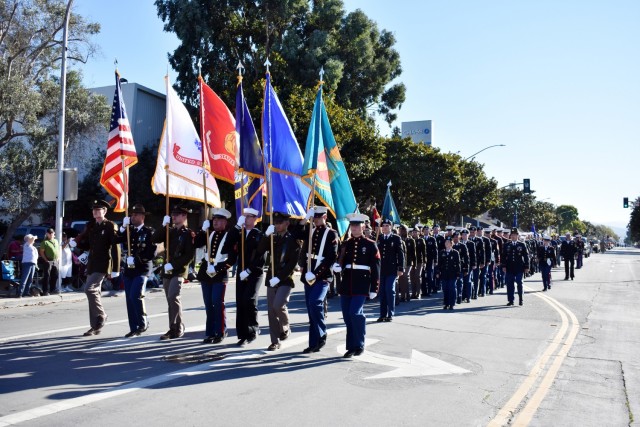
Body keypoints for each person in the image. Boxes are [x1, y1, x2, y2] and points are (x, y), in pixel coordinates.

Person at [70, 200, 121, 336]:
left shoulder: (110, 225)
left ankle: (102, 314)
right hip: (92, 263)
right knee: (94, 293)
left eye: (99, 210)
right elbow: (88, 245)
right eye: (94, 210)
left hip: (103, 263)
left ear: (104, 212)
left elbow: (115, 247)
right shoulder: (91, 226)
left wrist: (116, 268)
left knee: (89, 289)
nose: (96, 212)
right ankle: (96, 325)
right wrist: (77, 243)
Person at [252, 212, 301, 351]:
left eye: (280, 223)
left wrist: (279, 278)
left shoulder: (293, 240)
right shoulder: (272, 238)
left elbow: (292, 263)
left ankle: (285, 326)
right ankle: (275, 341)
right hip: (271, 277)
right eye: (276, 223)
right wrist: (265, 236)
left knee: (278, 305)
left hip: (285, 279)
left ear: (287, 223)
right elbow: (260, 250)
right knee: (271, 311)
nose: (277, 225)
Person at [333, 213, 380, 358]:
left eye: (357, 225)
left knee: (355, 313)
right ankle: (351, 346)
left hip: (361, 283)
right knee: (347, 316)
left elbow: (376, 267)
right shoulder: (346, 244)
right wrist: (337, 266)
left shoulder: (370, 244)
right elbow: (341, 259)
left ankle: (359, 344)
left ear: (363, 226)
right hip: (347, 283)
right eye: (352, 225)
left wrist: (374, 288)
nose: (354, 228)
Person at [295, 206, 338, 354]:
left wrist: (316, 273)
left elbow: (332, 257)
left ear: (325, 217)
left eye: (319, 217)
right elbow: (295, 232)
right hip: (308, 275)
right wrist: (306, 218)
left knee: (315, 302)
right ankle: (314, 343)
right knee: (310, 308)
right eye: (314, 218)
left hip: (322, 275)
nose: (316, 220)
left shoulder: (332, 234)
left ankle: (322, 332)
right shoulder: (310, 231)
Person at [195, 208, 238, 344]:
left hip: (219, 275)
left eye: (219, 220)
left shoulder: (229, 235)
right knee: (208, 304)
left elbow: (232, 259)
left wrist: (218, 268)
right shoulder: (209, 233)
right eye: (214, 219)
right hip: (206, 273)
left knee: (217, 303)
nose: (215, 222)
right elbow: (196, 243)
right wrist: (203, 230)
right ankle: (210, 332)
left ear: (225, 222)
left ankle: (220, 331)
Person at [153, 205, 195, 340]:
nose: (174, 216)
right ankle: (173, 327)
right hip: (167, 271)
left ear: (184, 217)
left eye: (177, 214)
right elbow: (155, 239)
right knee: (170, 300)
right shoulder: (169, 231)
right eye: (173, 214)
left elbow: (189, 256)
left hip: (179, 270)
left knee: (173, 296)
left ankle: (178, 326)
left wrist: (174, 264)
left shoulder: (188, 233)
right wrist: (163, 225)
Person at [117, 204, 157, 337]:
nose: (132, 217)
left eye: (135, 215)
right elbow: (116, 239)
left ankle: (142, 321)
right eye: (131, 215)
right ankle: (134, 327)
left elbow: (152, 253)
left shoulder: (149, 232)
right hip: (129, 270)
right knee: (129, 298)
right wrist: (123, 227)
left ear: (142, 217)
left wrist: (137, 259)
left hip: (142, 269)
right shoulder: (129, 231)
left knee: (135, 295)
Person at [234, 208, 267, 346]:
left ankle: (252, 330)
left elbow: (261, 257)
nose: (246, 219)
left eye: (249, 217)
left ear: (255, 219)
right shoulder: (239, 233)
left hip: (255, 272)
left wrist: (249, 270)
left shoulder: (259, 235)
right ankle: (242, 334)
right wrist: (236, 226)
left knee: (249, 299)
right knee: (241, 301)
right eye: (244, 216)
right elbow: (227, 244)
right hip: (241, 273)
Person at [376, 219, 405, 322]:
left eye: (387, 225)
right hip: (381, 269)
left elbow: (400, 254)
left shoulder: (396, 238)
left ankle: (390, 314)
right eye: (383, 225)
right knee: (382, 292)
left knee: (390, 290)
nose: (384, 227)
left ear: (391, 227)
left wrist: (400, 268)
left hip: (392, 270)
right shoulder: (378, 238)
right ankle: (382, 314)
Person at [501, 227, 530, 306]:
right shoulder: (507, 245)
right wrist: (503, 266)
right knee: (510, 284)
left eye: (515, 235)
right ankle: (511, 300)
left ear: (518, 236)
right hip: (509, 267)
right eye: (512, 235)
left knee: (519, 283)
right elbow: (503, 256)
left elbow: (526, 256)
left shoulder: (522, 244)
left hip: (519, 267)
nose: (513, 236)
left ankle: (521, 299)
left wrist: (527, 266)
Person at [437, 236, 461, 310]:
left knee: (452, 288)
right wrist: (438, 272)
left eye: (448, 242)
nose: (447, 244)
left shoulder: (455, 253)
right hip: (444, 273)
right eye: (446, 242)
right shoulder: (442, 252)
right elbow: (439, 263)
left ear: (451, 244)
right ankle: (446, 303)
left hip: (452, 274)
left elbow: (458, 264)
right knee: (445, 289)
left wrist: (458, 273)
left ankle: (452, 303)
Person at [39, 228, 60, 295]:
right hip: (48, 260)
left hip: (55, 260)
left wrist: (58, 258)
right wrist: (46, 260)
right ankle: (45, 291)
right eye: (49, 233)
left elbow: (57, 250)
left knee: (55, 275)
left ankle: (52, 289)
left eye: (52, 233)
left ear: (54, 234)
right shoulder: (44, 242)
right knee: (47, 276)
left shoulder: (56, 241)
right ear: (47, 234)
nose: (51, 234)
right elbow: (41, 252)